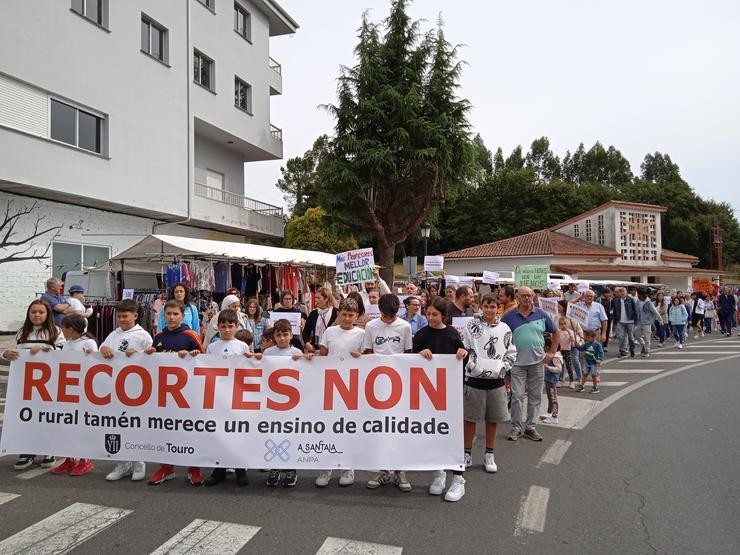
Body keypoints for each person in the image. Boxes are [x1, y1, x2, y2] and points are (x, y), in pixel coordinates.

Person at [144, 300, 206, 486]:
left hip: (188, 394)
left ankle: (193, 469)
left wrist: (194, 355)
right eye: (168, 314)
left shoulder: (190, 335)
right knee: (165, 431)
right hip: (164, 394)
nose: (171, 317)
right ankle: (166, 468)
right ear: (163, 315)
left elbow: (206, 362)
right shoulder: (158, 336)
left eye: (175, 314)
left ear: (182, 315)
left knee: (190, 431)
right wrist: (148, 355)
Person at [413, 296, 468, 502]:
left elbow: (462, 358)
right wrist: (420, 354)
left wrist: (463, 353)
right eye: (428, 314)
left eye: (435, 314)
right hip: (428, 395)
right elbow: (410, 362)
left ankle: (459, 478)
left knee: (453, 434)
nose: (430, 317)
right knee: (434, 433)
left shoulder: (452, 334)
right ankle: (439, 473)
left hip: (450, 394)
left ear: (443, 315)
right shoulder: (421, 334)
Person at [1, 299, 65, 470]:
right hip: (25, 384)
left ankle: (49, 450)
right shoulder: (22, 332)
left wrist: (47, 350)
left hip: (49, 383)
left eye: (41, 312)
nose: (37, 315)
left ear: (47, 314)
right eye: (33, 312)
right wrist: (6, 353)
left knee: (47, 416)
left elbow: (66, 353)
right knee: (26, 416)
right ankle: (27, 451)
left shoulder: (56, 332)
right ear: (28, 314)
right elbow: (12, 353)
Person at [461, 295, 516, 493]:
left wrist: (503, 368)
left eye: (493, 306)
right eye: (486, 306)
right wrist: (472, 365)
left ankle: (489, 454)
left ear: (498, 308)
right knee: (470, 418)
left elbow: (511, 352)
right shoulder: (471, 326)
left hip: (497, 381)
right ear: (481, 307)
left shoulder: (505, 329)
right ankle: (467, 453)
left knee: (493, 419)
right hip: (474, 379)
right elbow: (464, 347)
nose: (490, 310)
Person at [363, 294, 413, 491]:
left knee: (399, 429)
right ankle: (383, 471)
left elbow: (408, 355)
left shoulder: (405, 327)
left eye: (393, 315)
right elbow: (367, 352)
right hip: (376, 386)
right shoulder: (371, 326)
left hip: (399, 385)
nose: (389, 318)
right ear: (380, 311)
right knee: (380, 430)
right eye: (386, 315)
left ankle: (401, 472)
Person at [315, 298, 365, 488]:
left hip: (352, 387)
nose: (347, 318)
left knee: (348, 428)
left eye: (351, 315)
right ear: (338, 314)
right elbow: (323, 355)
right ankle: (326, 467)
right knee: (328, 428)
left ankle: (347, 467)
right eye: (343, 314)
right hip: (330, 386)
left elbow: (369, 358)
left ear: (357, 316)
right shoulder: (330, 331)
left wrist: (363, 357)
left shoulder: (362, 334)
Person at [100, 299, 153, 481]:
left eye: (125, 316)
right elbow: (103, 350)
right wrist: (104, 348)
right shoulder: (113, 335)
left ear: (135, 316)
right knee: (117, 425)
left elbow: (152, 358)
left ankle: (139, 461)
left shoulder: (143, 336)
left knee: (135, 426)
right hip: (115, 388)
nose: (122, 319)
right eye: (119, 316)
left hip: (136, 389)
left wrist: (138, 355)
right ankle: (123, 463)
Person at [502, 286, 559, 442]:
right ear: (517, 297)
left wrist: (552, 352)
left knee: (535, 396)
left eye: (530, 295)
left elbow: (556, 332)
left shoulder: (541, 314)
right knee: (517, 396)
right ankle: (516, 428)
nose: (527, 298)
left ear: (533, 296)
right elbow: (501, 336)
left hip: (537, 362)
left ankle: (530, 428)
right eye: (524, 296)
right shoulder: (508, 317)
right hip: (517, 363)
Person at [202, 309, 251, 487]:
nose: (227, 329)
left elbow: (250, 368)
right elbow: (205, 367)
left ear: (236, 326)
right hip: (217, 395)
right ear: (218, 327)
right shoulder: (212, 347)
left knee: (237, 432)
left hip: (237, 395)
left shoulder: (242, 346)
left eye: (230, 326)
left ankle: (240, 469)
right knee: (219, 433)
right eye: (223, 326)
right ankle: (219, 470)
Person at [260, 319, 305, 488]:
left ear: (291, 335)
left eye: (285, 335)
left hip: (292, 403)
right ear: (274, 336)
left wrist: (306, 358)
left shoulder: (297, 352)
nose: (282, 338)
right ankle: (275, 467)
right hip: (273, 401)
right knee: (274, 434)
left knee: (290, 436)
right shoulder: (268, 352)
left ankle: (291, 469)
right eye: (278, 335)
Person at [50, 313, 97, 476]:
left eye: (63, 328)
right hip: (68, 390)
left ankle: (85, 460)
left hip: (83, 390)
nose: (61, 331)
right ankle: (70, 459)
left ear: (71, 328)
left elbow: (94, 364)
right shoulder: (67, 344)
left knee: (82, 425)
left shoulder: (88, 343)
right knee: (68, 425)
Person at [303, 286, 338, 353]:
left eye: (319, 298)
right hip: (315, 349)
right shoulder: (313, 314)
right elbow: (305, 332)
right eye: (316, 298)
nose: (316, 300)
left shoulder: (336, 313)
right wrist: (307, 343)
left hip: (332, 349)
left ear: (326, 299)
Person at [557, 300, 583, 383]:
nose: (557, 308)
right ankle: (561, 378)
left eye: (559, 306)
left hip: (572, 343)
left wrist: (581, 338)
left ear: (564, 307)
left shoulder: (572, 318)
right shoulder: (556, 317)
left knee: (575, 359)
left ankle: (579, 377)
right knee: (560, 360)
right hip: (561, 344)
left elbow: (579, 330)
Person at [542, 336, 563, 423]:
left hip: (552, 380)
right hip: (548, 379)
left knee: (553, 398)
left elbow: (559, 369)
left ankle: (554, 417)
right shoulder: (551, 356)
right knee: (550, 397)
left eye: (544, 346)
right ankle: (549, 413)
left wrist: (548, 367)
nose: (543, 348)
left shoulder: (555, 357)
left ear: (548, 347)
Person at [634, 290, 661, 357]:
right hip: (639, 322)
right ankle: (643, 344)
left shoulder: (649, 303)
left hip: (647, 322)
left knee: (647, 337)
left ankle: (647, 351)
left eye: (639, 296)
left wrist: (660, 320)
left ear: (643, 296)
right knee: (636, 335)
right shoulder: (637, 302)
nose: (638, 297)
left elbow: (655, 311)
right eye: (638, 296)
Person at [612, 286, 637, 358]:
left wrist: (636, 320)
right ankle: (622, 351)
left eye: (623, 292)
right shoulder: (616, 300)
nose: (622, 293)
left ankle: (632, 350)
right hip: (621, 321)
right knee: (621, 337)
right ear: (619, 293)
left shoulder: (631, 300)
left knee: (631, 337)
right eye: (621, 292)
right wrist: (615, 321)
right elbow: (615, 312)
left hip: (630, 321)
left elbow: (635, 310)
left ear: (626, 292)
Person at [557, 316, 577, 388]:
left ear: (567, 324)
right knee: (559, 366)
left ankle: (571, 381)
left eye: (565, 324)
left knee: (569, 366)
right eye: (561, 324)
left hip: (567, 351)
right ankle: (559, 380)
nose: (563, 325)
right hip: (559, 351)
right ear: (559, 325)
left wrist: (570, 333)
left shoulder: (570, 332)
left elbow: (572, 341)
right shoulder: (558, 331)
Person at [600, 287, 615, 352]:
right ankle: (600, 345)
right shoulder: (599, 300)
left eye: (609, 293)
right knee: (600, 331)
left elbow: (613, 309)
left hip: (608, 318)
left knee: (607, 331)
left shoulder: (611, 300)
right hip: (600, 318)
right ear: (603, 293)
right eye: (606, 293)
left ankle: (605, 345)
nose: (608, 294)